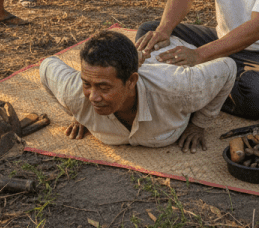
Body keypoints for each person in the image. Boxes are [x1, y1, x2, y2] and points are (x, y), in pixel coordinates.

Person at [40, 30, 236, 151]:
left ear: (131, 81)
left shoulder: (178, 88)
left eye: (104, 87)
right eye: (87, 84)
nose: (93, 97)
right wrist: (77, 114)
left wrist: (199, 124)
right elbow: (47, 65)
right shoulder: (73, 93)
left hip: (173, 50)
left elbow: (227, 67)